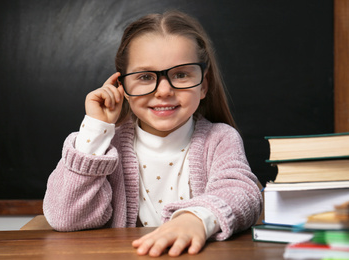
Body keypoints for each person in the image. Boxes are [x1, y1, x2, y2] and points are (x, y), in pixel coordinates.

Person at [43, 10, 263, 257]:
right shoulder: (105, 145)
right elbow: (65, 217)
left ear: (203, 85)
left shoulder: (220, 139)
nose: (164, 91)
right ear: (123, 87)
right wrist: (95, 130)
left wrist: (195, 220)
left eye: (180, 74)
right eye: (146, 77)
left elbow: (243, 192)